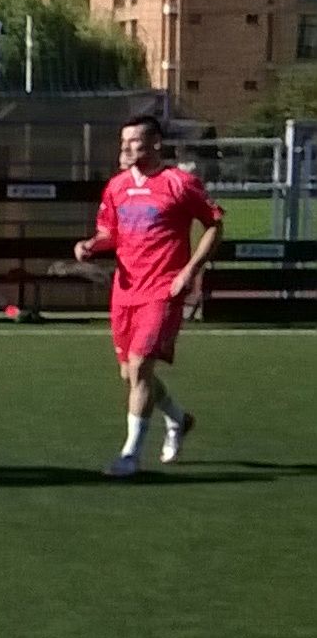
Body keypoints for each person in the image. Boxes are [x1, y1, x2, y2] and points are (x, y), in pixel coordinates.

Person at [75, 115, 223, 478]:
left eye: (134, 141)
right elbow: (110, 232)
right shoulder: (117, 186)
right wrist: (91, 244)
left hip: (163, 288)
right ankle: (178, 419)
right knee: (129, 374)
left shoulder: (179, 183)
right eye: (123, 141)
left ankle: (130, 455)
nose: (126, 147)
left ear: (156, 143)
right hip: (125, 292)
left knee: (141, 365)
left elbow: (214, 224)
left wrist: (189, 271)